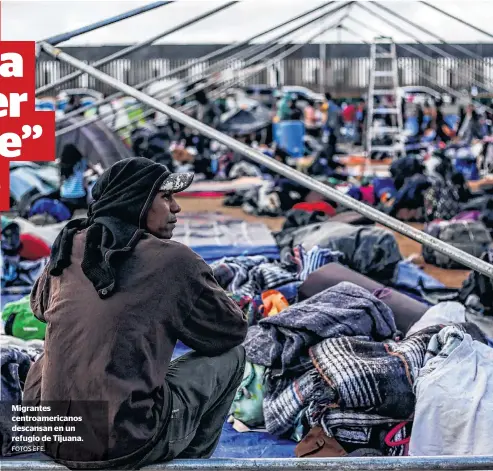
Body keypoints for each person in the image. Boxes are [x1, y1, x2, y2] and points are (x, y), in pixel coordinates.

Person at [23, 158, 248, 469]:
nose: (176, 208)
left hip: (49, 432)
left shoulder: (69, 244)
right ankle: (191, 464)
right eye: (166, 197)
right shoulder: (175, 261)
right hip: (123, 441)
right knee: (233, 357)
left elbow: (40, 307)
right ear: (137, 200)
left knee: (64, 350)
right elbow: (229, 333)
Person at [58, 144, 89, 213]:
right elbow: (84, 180)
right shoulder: (82, 162)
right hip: (79, 197)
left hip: (65, 196)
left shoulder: (62, 164)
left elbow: (60, 182)